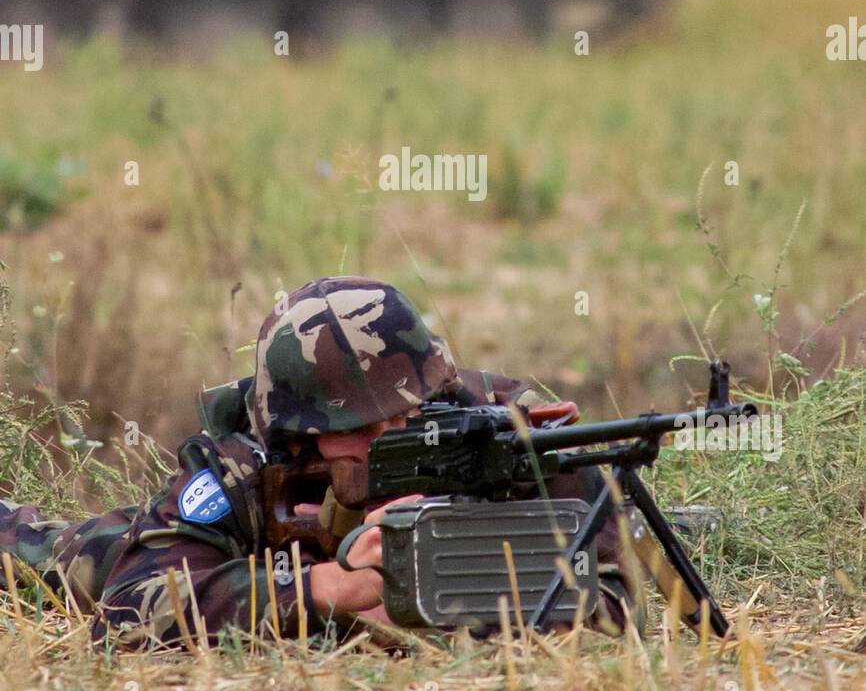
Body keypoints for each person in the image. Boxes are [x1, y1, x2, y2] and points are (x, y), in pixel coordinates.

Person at [0, 276, 632, 648]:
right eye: (356, 429)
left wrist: (448, 577)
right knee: (50, 553)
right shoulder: (245, 465)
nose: (389, 435)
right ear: (300, 435)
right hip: (178, 555)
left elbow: (610, 602)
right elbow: (131, 608)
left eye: (405, 413)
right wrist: (325, 590)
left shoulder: (510, 429)